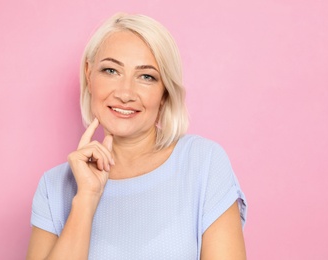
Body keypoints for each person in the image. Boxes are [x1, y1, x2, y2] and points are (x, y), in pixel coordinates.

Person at [26, 12, 247, 259]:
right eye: (111, 70)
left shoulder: (204, 163)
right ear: (89, 75)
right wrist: (86, 199)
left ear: (164, 92)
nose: (125, 93)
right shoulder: (54, 186)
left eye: (146, 76)